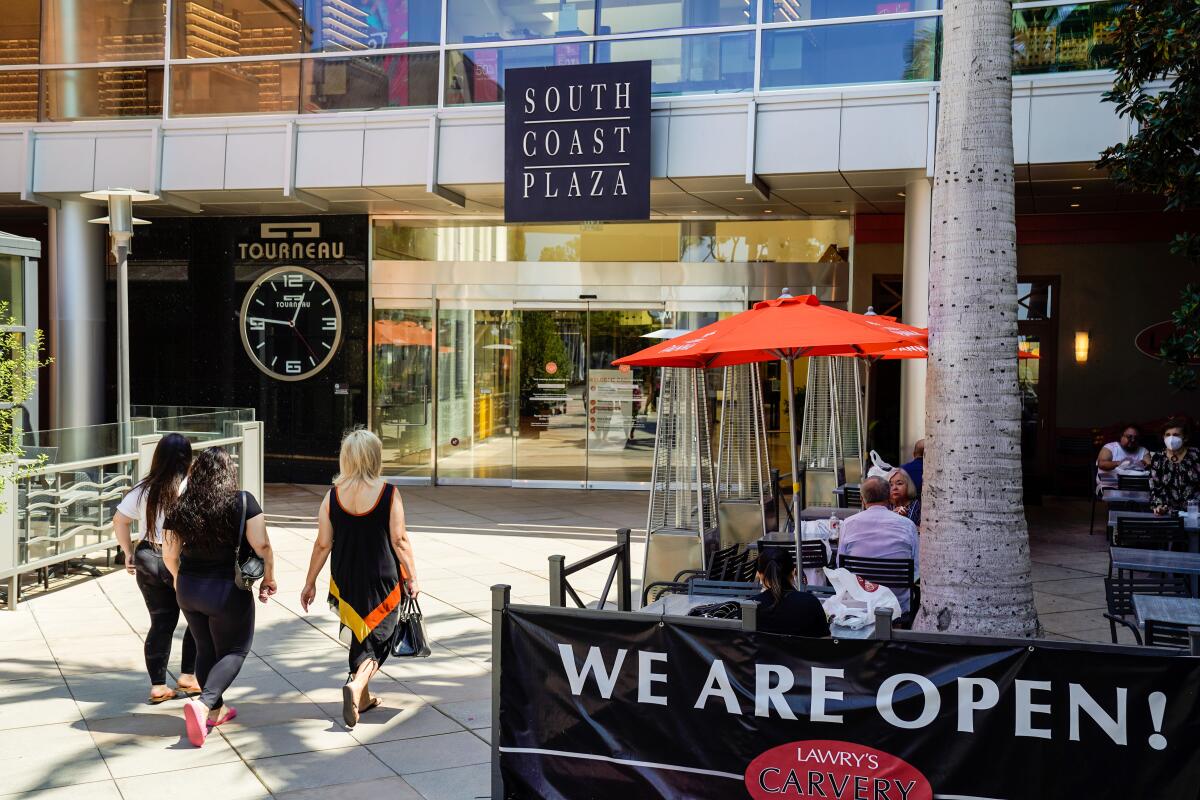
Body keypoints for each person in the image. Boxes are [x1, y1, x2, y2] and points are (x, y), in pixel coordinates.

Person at [300, 429, 420, 728]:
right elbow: (400, 540)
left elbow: (322, 544)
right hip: (382, 578)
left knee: (359, 633)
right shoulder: (388, 492)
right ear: (375, 457)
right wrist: (413, 577)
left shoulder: (332, 495)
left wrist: (310, 582)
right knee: (381, 638)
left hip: (346, 579)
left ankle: (363, 700)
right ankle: (356, 684)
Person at [163, 448, 276, 747]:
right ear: (229, 473)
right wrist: (270, 577)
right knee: (236, 650)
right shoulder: (242, 501)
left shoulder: (181, 504)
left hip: (188, 587)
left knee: (205, 648)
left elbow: (169, 553)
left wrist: (178, 581)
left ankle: (215, 711)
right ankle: (204, 703)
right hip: (225, 589)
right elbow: (262, 545)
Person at [113, 433, 199, 704]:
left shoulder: (144, 487)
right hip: (182, 559)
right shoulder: (191, 487)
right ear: (188, 458)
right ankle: (189, 676)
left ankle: (159, 686)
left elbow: (119, 520)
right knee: (197, 619)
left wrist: (128, 552)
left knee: (161, 623)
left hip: (148, 556)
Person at [837, 476, 920, 614]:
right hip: (897, 607)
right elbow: (916, 571)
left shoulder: (848, 524)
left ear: (862, 499)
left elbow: (841, 567)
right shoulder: (907, 525)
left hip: (860, 604)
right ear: (889, 496)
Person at [749, 547, 830, 637]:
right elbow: (825, 642)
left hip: (764, 651)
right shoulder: (810, 602)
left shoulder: (750, 607)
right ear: (793, 572)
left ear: (760, 575)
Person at [1149, 418, 1200, 515]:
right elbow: (1155, 486)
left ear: (1185, 438)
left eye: (1176, 435)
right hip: (1168, 512)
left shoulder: (1196, 455)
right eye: (1168, 435)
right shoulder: (1158, 458)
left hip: (1195, 512)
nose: (1171, 438)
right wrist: (1159, 506)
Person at [1096, 425, 1149, 493]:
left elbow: (1149, 467)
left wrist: (1142, 464)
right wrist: (1120, 463)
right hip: (1110, 485)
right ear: (1121, 436)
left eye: (1136, 438)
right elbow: (1101, 464)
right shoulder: (1110, 447)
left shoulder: (1143, 451)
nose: (1133, 440)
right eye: (1129, 437)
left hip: (1136, 487)